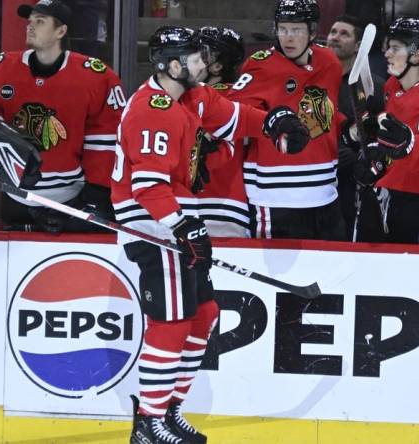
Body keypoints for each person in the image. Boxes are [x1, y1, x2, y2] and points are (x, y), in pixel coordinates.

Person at [113, 26, 308, 444]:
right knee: (172, 322)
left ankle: (169, 411)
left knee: (204, 315)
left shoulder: (191, 97)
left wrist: (274, 121)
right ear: (170, 65)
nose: (203, 64)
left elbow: (232, 116)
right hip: (155, 229)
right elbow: (147, 187)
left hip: (177, 221)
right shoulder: (154, 108)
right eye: (194, 57)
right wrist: (182, 227)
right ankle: (149, 423)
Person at [0, 0, 123, 233]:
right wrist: (7, 152)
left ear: (61, 31)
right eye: (30, 20)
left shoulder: (96, 77)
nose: (30, 26)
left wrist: (97, 194)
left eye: (40, 21)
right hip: (16, 195)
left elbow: (107, 135)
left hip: (72, 198)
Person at [228, 0, 346, 241]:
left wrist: (349, 128)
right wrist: (272, 120)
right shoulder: (260, 65)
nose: (288, 37)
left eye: (296, 30)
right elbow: (233, 113)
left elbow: (325, 111)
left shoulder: (330, 63)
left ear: (312, 32)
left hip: (325, 192)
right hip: (275, 196)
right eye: (283, 29)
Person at [354, 17, 419, 245]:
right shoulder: (394, 85)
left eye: (395, 48)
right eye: (387, 46)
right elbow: (392, 136)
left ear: (417, 54)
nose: (387, 54)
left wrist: (407, 143)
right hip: (400, 190)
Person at [327, 14, 386, 240]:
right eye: (333, 32)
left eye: (344, 34)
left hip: (354, 184)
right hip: (319, 176)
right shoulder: (314, 80)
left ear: (359, 46)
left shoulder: (376, 87)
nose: (335, 38)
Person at [193, 26, 251, 237]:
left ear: (217, 66)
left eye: (201, 53)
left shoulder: (230, 99)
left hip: (219, 213)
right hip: (216, 209)